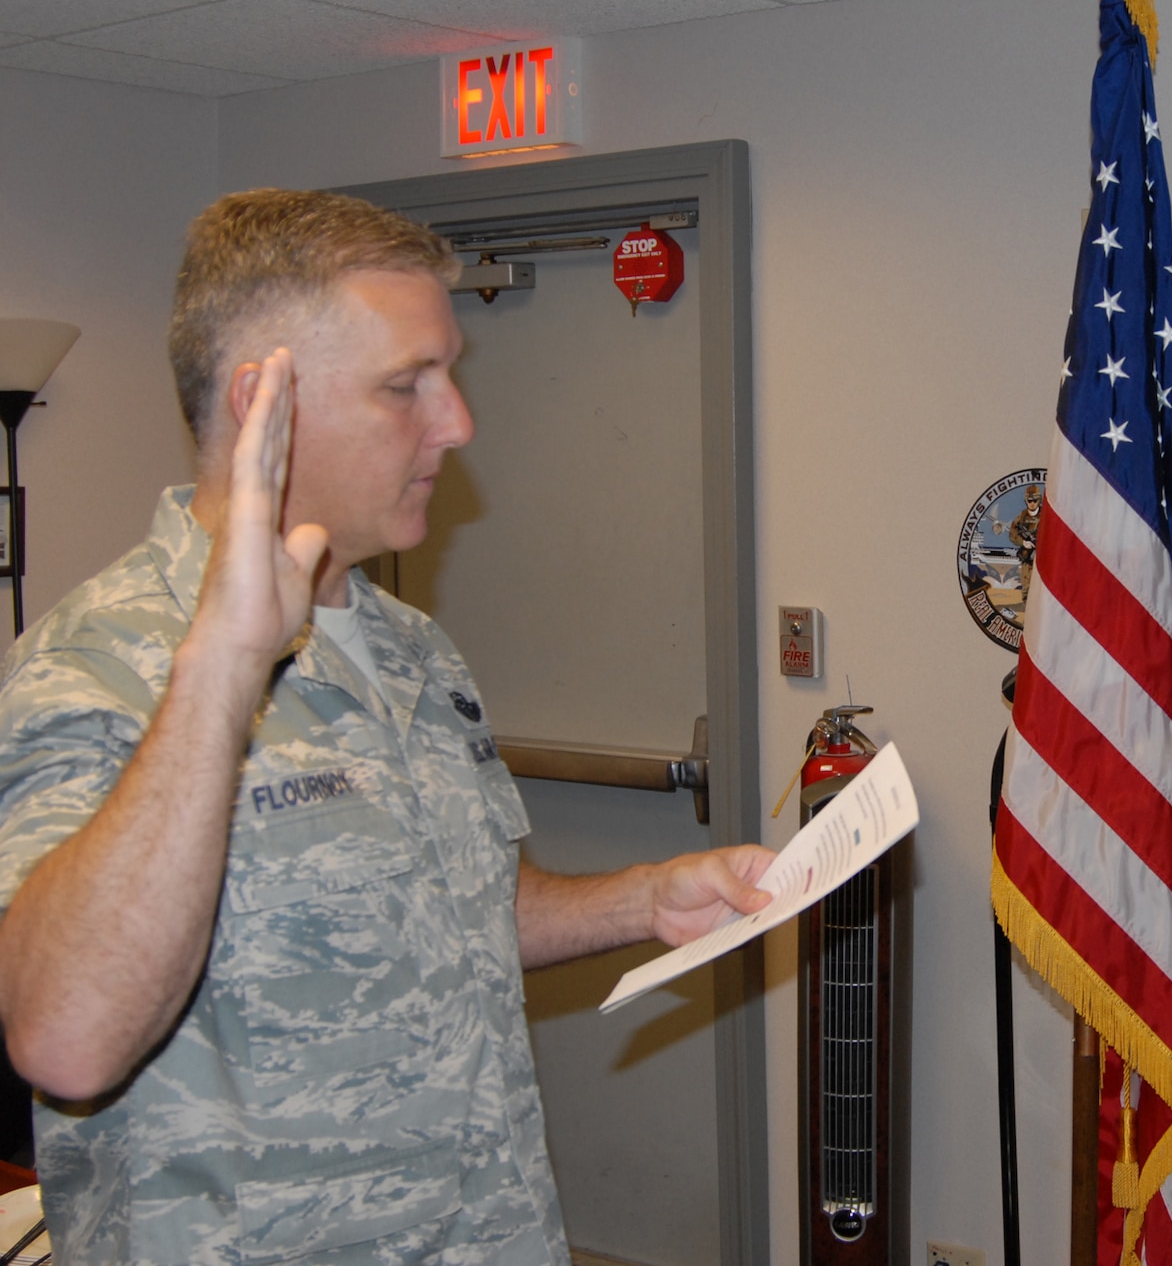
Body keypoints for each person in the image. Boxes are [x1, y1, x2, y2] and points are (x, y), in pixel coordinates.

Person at [0, 189, 776, 1264]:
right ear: (263, 407)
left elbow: (452, 909)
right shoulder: (96, 669)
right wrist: (225, 667)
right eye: (405, 386)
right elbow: (67, 1039)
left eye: (448, 375)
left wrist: (642, 898)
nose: (456, 422)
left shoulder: (409, 645)